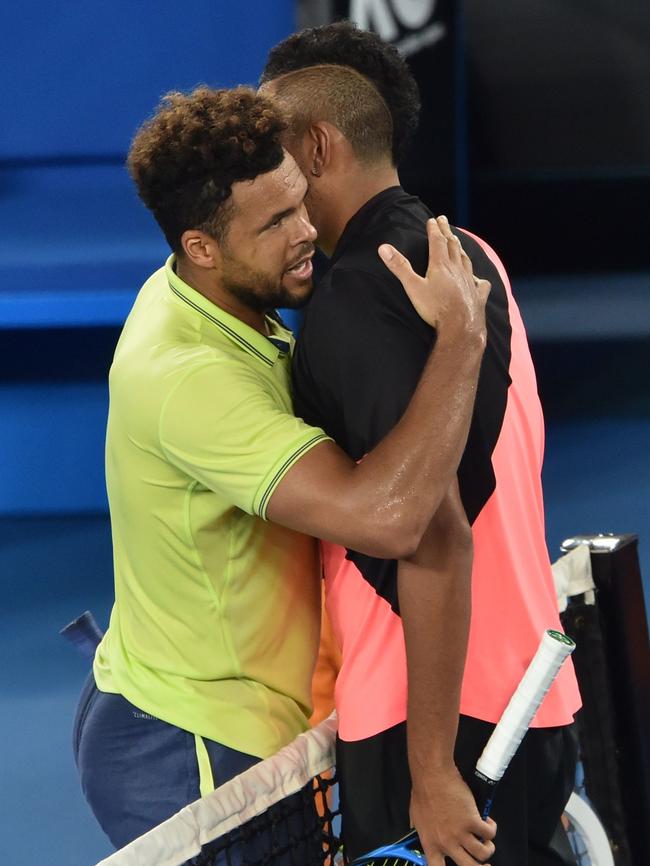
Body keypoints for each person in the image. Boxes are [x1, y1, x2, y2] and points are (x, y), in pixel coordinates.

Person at [72, 84, 493, 860]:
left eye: (300, 202)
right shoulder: (188, 378)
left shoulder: (217, 297)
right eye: (274, 224)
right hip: (191, 745)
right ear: (200, 246)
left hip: (201, 715)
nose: (309, 231)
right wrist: (461, 341)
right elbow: (393, 516)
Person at [261, 22, 582, 866]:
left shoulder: (354, 298)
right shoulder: (472, 255)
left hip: (432, 722)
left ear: (319, 147)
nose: (257, 174)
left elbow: (432, 528)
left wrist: (431, 769)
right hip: (531, 700)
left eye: (272, 151)